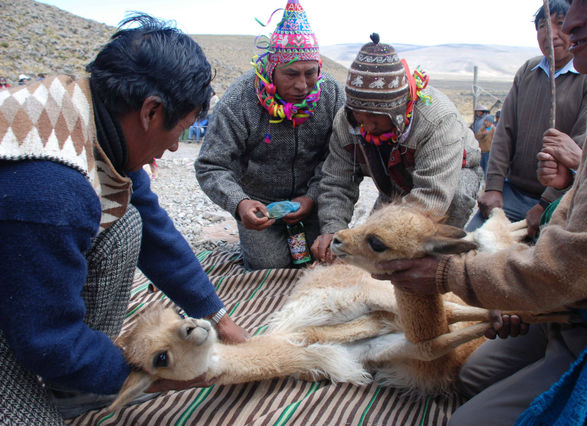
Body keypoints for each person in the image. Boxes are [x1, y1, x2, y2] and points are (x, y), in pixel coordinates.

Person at [374, 0, 587, 423]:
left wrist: (446, 274)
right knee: (474, 376)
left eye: (586, 2)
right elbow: (510, 137)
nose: (569, 23)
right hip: (564, 281)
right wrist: (502, 193)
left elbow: (572, 262)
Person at [0, 14, 248, 424]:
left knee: (127, 223)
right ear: (151, 112)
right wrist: (148, 376)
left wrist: (218, 316)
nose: (171, 149)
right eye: (180, 130)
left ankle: (75, 387)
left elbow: (153, 227)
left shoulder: (95, 117)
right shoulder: (51, 188)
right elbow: (46, 338)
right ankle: (78, 374)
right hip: (28, 287)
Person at [195, 0, 345, 270]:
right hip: (261, 207)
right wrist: (240, 204)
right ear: (270, 68)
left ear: (319, 68)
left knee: (323, 261)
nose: (302, 85)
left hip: (315, 200)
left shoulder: (332, 94)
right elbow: (211, 165)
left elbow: (339, 156)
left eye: (310, 73)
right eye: (290, 74)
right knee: (268, 267)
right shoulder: (239, 100)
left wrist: (311, 197)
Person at [311, 35, 482, 263]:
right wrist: (333, 229)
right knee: (371, 255)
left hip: (450, 181)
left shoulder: (437, 120)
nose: (368, 126)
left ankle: (436, 271)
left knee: (414, 252)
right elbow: (336, 181)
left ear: (398, 112)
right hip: (394, 184)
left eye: (375, 117)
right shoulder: (347, 121)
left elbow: (432, 198)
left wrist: (377, 234)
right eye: (360, 116)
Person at [466, 0, 587, 238]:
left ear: (576, 27)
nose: (550, 34)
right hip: (511, 193)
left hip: (562, 200)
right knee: (470, 247)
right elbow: (504, 132)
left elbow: (582, 144)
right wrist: (495, 187)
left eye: (561, 24)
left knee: (538, 268)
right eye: (542, 26)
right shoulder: (527, 71)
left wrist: (547, 203)